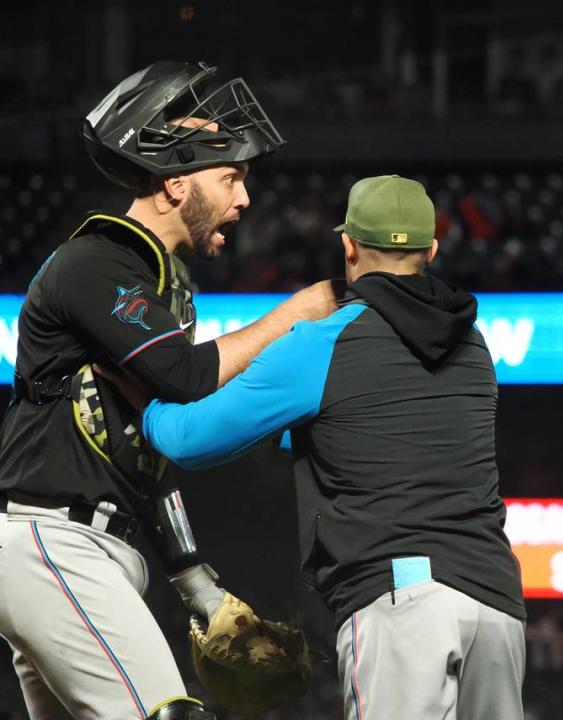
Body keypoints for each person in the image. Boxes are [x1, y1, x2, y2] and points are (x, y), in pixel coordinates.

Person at [120, 175, 527, 720]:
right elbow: (367, 429)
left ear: (349, 246)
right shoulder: (476, 345)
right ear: (431, 250)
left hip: (400, 597)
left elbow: (187, 439)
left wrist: (135, 391)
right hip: (498, 602)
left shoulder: (324, 341)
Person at [0, 61, 336, 720]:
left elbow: (143, 452)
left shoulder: (161, 281)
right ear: (176, 184)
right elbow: (185, 375)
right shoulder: (97, 262)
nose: (244, 199)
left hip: (83, 547)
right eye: (231, 176)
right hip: (54, 544)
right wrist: (296, 314)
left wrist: (194, 580)